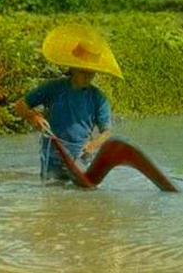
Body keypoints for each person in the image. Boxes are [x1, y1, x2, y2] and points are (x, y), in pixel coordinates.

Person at [12, 25, 122, 182]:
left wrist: (92, 145)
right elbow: (20, 106)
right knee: (52, 196)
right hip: (52, 156)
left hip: (81, 158)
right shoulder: (53, 88)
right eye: (83, 71)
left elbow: (106, 132)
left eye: (92, 72)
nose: (88, 76)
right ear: (73, 68)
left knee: (81, 199)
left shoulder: (98, 98)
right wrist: (33, 118)